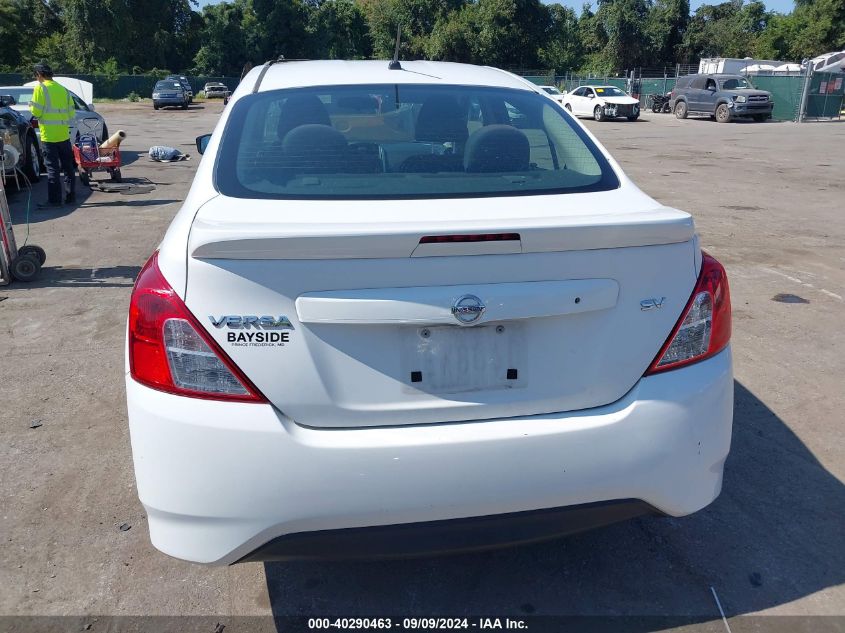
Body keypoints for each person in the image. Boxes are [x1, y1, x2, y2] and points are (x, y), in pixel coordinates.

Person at [29, 62, 76, 207]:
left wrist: (31, 106)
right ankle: (70, 197)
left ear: (40, 75)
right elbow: (71, 113)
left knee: (52, 169)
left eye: (36, 75)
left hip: (48, 136)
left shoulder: (40, 88)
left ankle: (55, 201)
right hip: (63, 135)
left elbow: (36, 112)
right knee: (68, 167)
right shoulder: (63, 90)